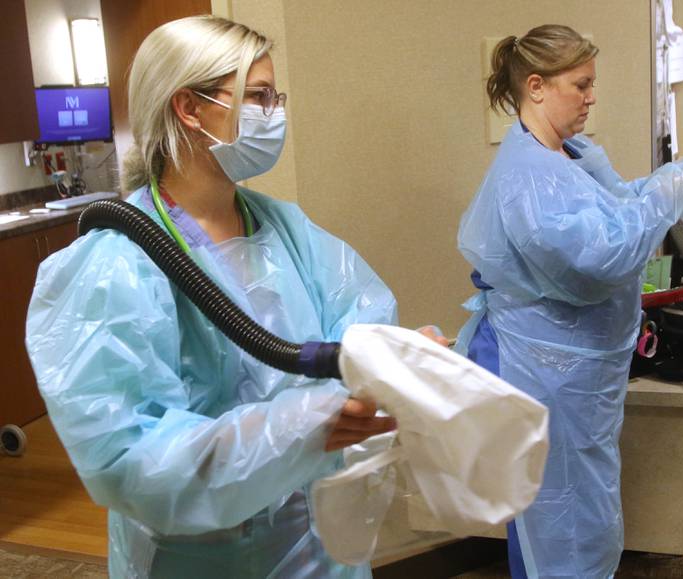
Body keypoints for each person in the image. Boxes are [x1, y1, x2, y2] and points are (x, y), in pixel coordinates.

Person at [26, 15, 444, 578]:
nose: (275, 115)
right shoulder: (116, 263)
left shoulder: (284, 230)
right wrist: (297, 427)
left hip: (317, 543)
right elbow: (127, 460)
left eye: (277, 97)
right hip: (205, 556)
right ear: (190, 108)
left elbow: (357, 324)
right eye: (258, 97)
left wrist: (396, 358)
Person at [456, 25, 683, 579]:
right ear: (538, 86)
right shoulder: (527, 176)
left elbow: (617, 207)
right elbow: (599, 257)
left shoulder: (572, 153)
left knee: (580, 508)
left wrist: (670, 183)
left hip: (573, 370)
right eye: (582, 83)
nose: (592, 97)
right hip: (541, 369)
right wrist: (665, 198)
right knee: (558, 520)